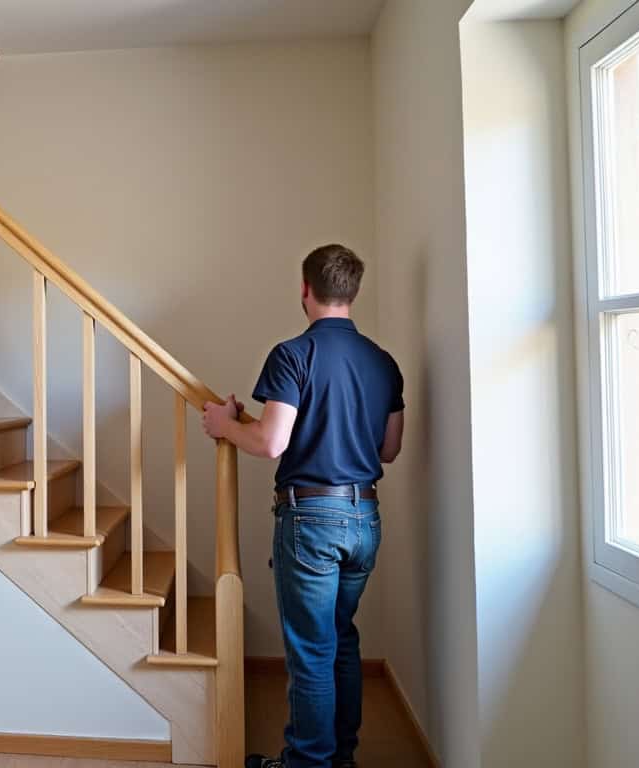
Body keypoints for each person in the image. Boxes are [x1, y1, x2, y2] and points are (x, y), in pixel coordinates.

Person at [200, 244, 404, 768]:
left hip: (311, 519)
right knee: (341, 640)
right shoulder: (383, 362)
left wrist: (226, 426)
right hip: (364, 518)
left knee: (312, 650)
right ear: (353, 293)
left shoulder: (293, 354)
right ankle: (341, 759)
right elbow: (389, 448)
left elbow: (272, 442)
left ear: (305, 290)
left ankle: (307, 764)